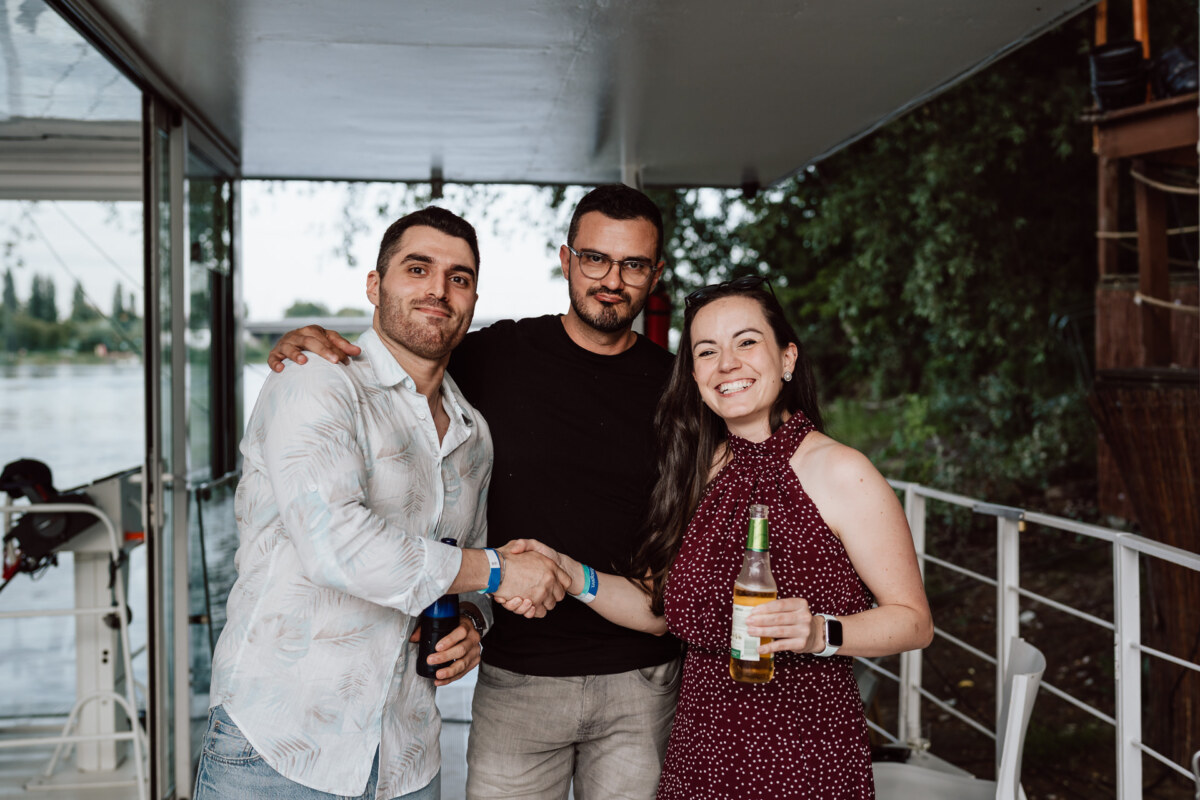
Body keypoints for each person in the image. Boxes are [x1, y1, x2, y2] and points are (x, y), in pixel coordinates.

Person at [267, 186, 684, 800]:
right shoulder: (492, 355)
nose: (612, 280)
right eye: (595, 259)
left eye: (633, 265)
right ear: (566, 260)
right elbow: (406, 345)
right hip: (520, 677)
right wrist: (318, 345)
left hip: (644, 681)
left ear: (656, 273)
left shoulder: (682, 386)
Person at [195, 207, 571, 800]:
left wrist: (474, 618)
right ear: (375, 285)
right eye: (417, 268)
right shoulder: (315, 380)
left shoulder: (473, 432)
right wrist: (500, 570)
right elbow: (335, 544)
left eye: (460, 277)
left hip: (407, 757)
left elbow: (463, 573)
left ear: (473, 300)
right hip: (279, 744)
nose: (438, 290)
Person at [510, 275, 933, 798]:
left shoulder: (843, 472)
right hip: (702, 756)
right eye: (707, 351)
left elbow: (914, 623)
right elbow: (656, 607)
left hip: (804, 759)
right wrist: (571, 574)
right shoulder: (697, 471)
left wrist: (823, 633)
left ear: (787, 359)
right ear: (694, 375)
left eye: (747, 342)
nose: (727, 364)